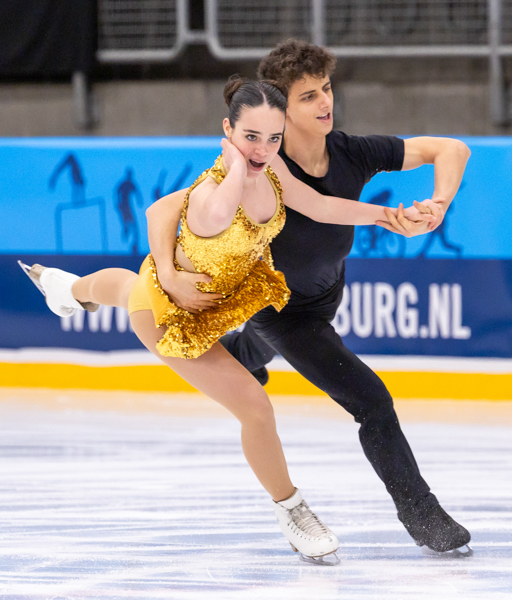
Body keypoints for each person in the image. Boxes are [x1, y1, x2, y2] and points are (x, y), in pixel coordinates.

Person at [19, 77, 435, 565]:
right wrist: (177, 268)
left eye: (273, 138)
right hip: (177, 319)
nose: (262, 149)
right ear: (227, 131)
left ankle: (66, 289)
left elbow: (321, 206)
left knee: (129, 288)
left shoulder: (273, 175)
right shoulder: (217, 192)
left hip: (215, 297)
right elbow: (194, 210)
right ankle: (292, 510)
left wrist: (387, 215)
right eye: (250, 137)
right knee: (254, 406)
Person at [147, 43, 473, 558]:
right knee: (372, 401)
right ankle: (422, 513)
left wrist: (437, 205)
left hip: (324, 295)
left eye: (326, 89)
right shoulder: (256, 164)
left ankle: (239, 361)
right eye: (307, 96)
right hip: (279, 310)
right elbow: (166, 208)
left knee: (255, 350)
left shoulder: (351, 151)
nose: (325, 102)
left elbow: (452, 149)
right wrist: (166, 269)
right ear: (279, 108)